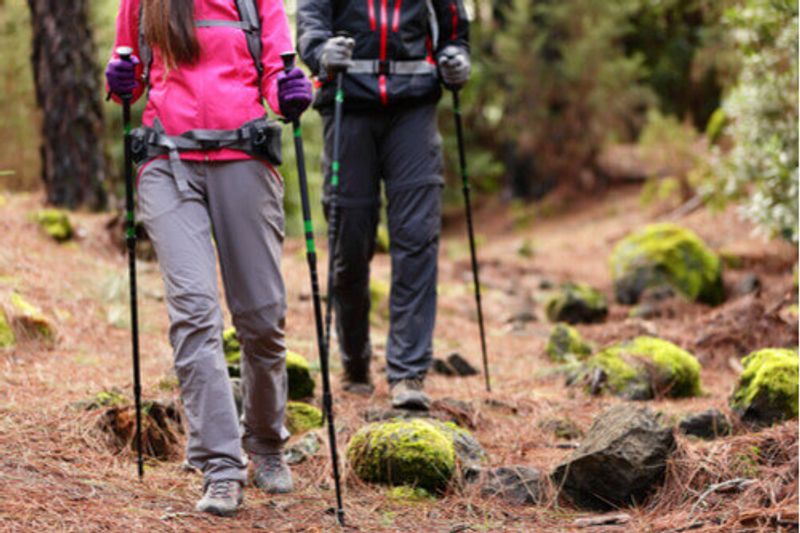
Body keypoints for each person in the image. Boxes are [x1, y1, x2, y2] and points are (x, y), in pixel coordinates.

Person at [105, 0, 312, 517]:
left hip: (243, 157)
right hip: (166, 163)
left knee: (261, 317)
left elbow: (274, 73)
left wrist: (289, 93)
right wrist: (120, 79)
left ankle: (265, 441)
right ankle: (221, 466)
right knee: (195, 312)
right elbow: (127, 82)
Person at [297, 0, 471, 409]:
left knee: (416, 240)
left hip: (413, 112)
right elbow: (310, 25)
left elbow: (454, 32)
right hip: (348, 109)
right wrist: (322, 53)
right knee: (349, 248)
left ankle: (408, 373)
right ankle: (355, 359)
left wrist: (457, 58)